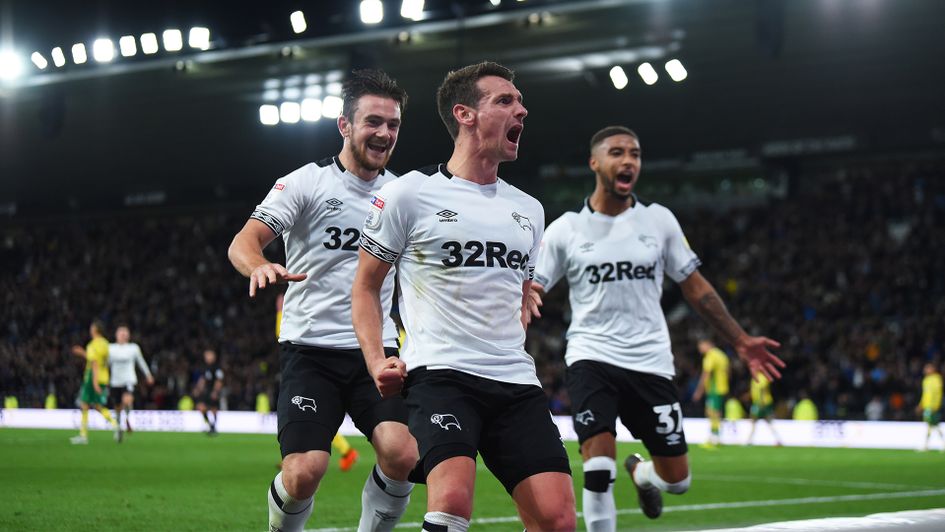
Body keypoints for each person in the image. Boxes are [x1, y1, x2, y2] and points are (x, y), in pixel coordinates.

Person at [353, 61, 576, 532]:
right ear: (465, 114)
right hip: (442, 375)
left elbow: (519, 288)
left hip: (515, 381)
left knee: (557, 519)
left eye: (520, 101)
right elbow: (367, 285)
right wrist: (377, 359)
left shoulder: (529, 210)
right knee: (452, 500)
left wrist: (521, 305)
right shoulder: (410, 194)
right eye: (506, 101)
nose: (522, 109)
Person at [528, 125, 785, 530]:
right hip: (591, 356)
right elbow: (532, 286)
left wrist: (741, 340)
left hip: (650, 361)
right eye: (617, 152)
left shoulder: (658, 221)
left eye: (635, 153)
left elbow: (696, 288)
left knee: (678, 480)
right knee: (597, 463)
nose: (628, 160)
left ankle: (643, 474)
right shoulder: (566, 230)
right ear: (595, 162)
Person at [228, 69, 418, 532]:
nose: (384, 133)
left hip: (376, 349)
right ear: (345, 125)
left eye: (393, 124)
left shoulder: (404, 194)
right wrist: (260, 265)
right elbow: (243, 242)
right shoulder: (305, 183)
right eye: (374, 121)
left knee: (403, 453)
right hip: (310, 350)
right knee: (303, 472)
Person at [276, 293, 359, 472]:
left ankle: (347, 451)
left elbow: (281, 333)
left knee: (313, 421)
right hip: (304, 364)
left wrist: (279, 312)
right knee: (309, 421)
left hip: (306, 366)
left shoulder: (293, 316)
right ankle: (291, 457)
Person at [70, 320, 119, 444]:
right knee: (97, 406)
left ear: (95, 330)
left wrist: (94, 382)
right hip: (104, 377)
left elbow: (94, 363)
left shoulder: (92, 345)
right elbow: (102, 360)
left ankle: (83, 436)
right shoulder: (106, 344)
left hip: (93, 377)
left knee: (84, 404)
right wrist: (82, 353)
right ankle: (116, 426)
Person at [108, 325, 155, 441]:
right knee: (118, 406)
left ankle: (127, 418)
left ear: (128, 335)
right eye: (121, 333)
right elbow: (105, 364)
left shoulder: (133, 348)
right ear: (116, 335)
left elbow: (141, 362)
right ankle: (119, 427)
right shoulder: (110, 348)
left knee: (127, 400)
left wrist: (148, 374)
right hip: (115, 382)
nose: (123, 335)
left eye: (125, 333)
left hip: (129, 380)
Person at [692, 339, 730, 448]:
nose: (700, 349)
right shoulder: (721, 354)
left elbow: (706, 374)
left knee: (712, 413)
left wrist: (699, 391)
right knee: (716, 412)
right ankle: (716, 438)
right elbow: (728, 371)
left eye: (701, 346)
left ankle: (714, 439)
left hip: (714, 388)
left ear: (707, 344)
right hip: (722, 387)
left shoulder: (710, 356)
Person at [745, 373, 783, 446]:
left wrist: (761, 403)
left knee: (754, 421)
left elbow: (762, 390)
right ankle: (778, 439)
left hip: (762, 404)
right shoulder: (755, 377)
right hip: (758, 403)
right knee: (767, 422)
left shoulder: (762, 377)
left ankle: (749, 441)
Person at [193, 349, 224, 435]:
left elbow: (219, 381)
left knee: (214, 408)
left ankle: (214, 426)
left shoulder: (217, 367)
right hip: (206, 391)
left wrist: (215, 391)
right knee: (200, 406)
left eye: (208, 356)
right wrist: (198, 389)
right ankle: (210, 424)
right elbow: (202, 379)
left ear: (213, 357)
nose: (206, 358)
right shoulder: (204, 367)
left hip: (213, 391)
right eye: (206, 356)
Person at [916, 363, 943, 451]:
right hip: (927, 406)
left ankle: (926, 445)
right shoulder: (926, 380)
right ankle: (928, 445)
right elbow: (925, 395)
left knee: (930, 424)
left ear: (933, 369)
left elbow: (938, 394)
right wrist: (921, 405)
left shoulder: (937, 379)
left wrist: (936, 405)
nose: (925, 370)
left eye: (927, 368)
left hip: (933, 406)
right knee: (932, 425)